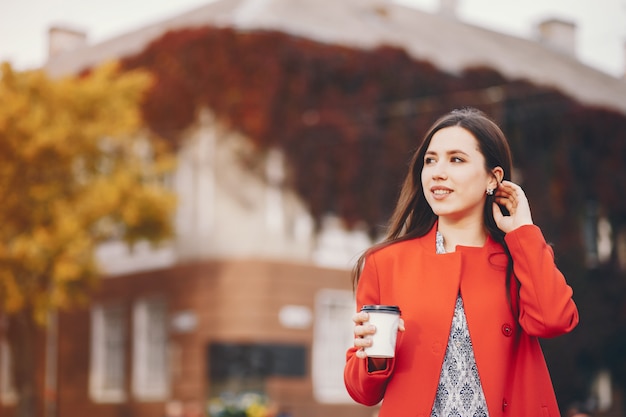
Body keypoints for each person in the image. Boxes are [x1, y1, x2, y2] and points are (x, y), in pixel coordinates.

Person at [344, 108, 579, 417]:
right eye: (431, 160)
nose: (438, 171)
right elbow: (363, 392)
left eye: (456, 159)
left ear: (493, 178)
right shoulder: (384, 263)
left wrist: (523, 230)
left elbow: (554, 320)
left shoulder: (521, 256)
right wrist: (374, 355)